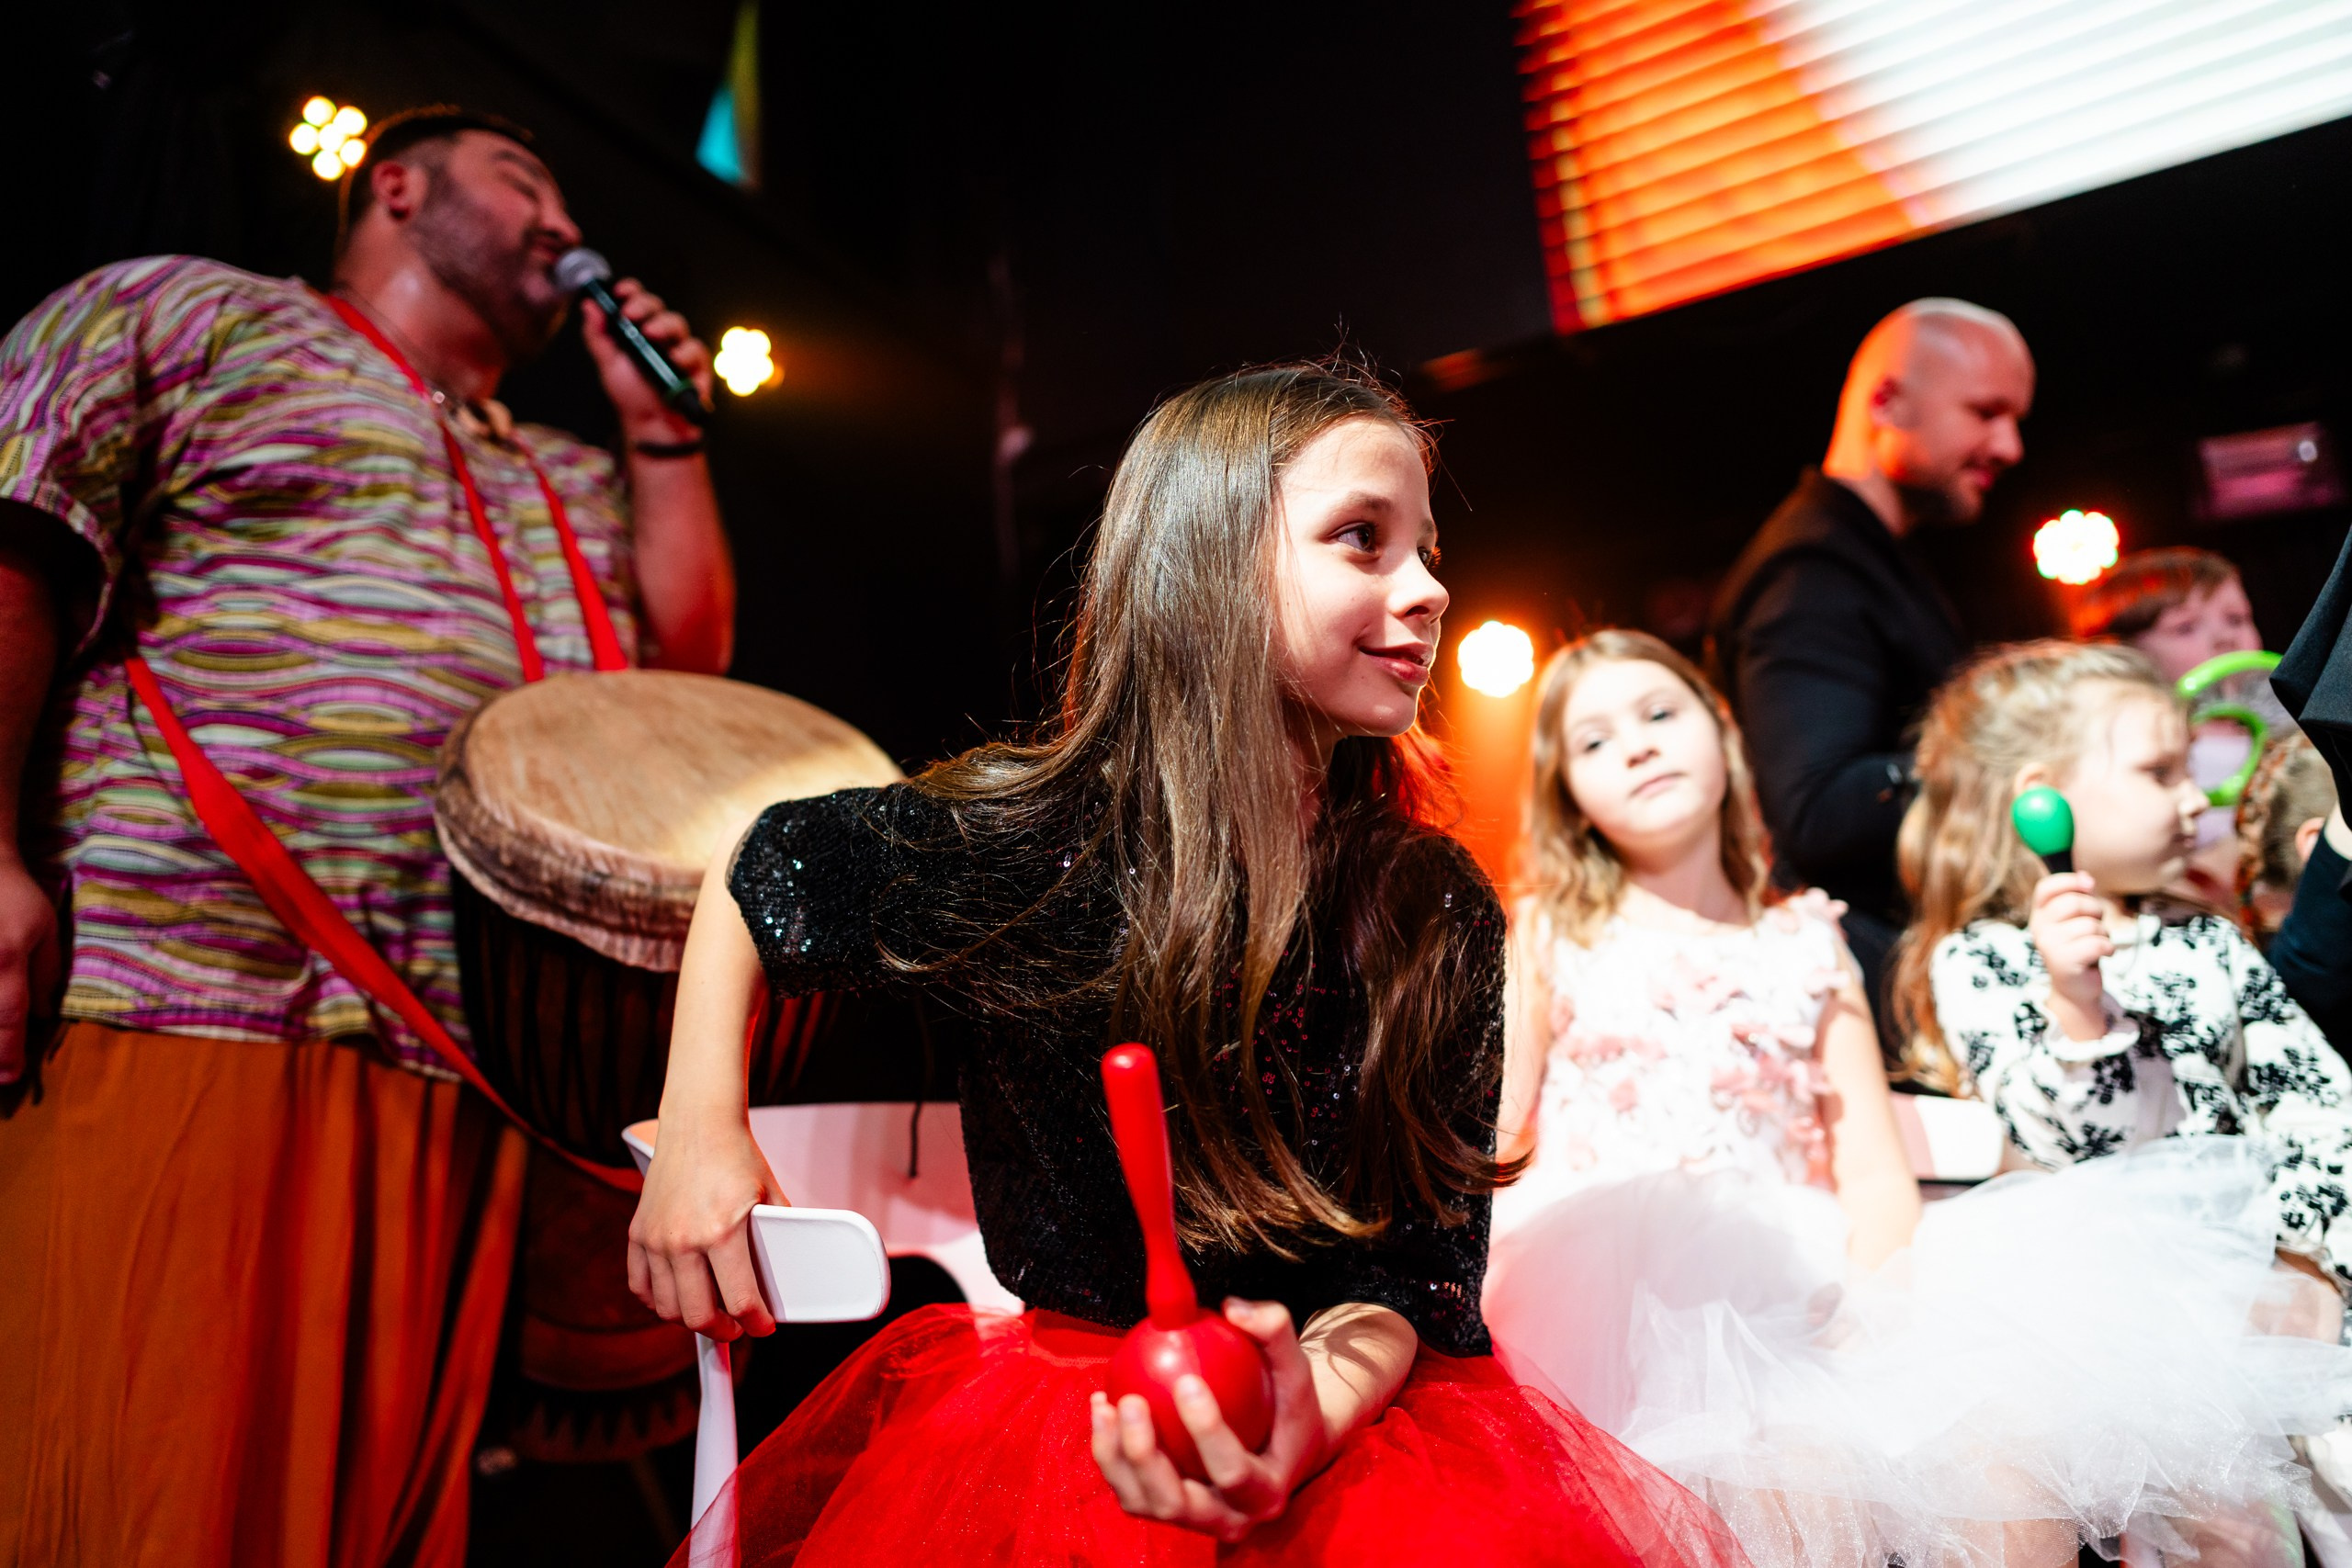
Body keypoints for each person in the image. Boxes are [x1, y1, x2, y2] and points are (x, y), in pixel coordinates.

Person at [627, 365, 1747, 1566]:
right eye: (1363, 538)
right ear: (1208, 560)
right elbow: (771, 860)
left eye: (1427, 546)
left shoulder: (1433, 908)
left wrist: (1302, 1409)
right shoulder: (1036, 851)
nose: (1428, 588)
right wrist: (700, 1125)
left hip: (1335, 1427)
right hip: (1061, 1439)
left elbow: (1411, 1279)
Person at [0, 106, 731, 1568]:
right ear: (395, 184)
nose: (559, 220)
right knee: (136, 1503)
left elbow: (687, 682)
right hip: (186, 997)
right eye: (523, 177)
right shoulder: (186, 311)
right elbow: (17, 539)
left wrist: (661, 436)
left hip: (454, 1069)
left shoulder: (568, 474)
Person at [1481, 629, 2352, 1568]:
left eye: (1659, 714)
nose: (1639, 746)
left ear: (1723, 736)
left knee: (1956, 1459)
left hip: (1789, 1283)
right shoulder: (1540, 937)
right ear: (1565, 790)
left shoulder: (1807, 940)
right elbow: (1496, 1129)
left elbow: (1868, 1170)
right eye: (1595, 741)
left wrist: (1876, 1308)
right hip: (1597, 1282)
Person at [1708, 299, 2033, 1030]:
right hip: (1882, 999)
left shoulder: (1876, 555)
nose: (2010, 445)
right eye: (1986, 411)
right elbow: (1818, 811)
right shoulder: (1812, 569)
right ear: (1887, 401)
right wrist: (2016, 755)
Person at [2073, 546, 2271, 906]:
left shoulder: (2286, 733)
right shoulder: (2126, 758)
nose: (2225, 638)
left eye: (2237, 618)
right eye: (2184, 627)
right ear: (2123, 654)